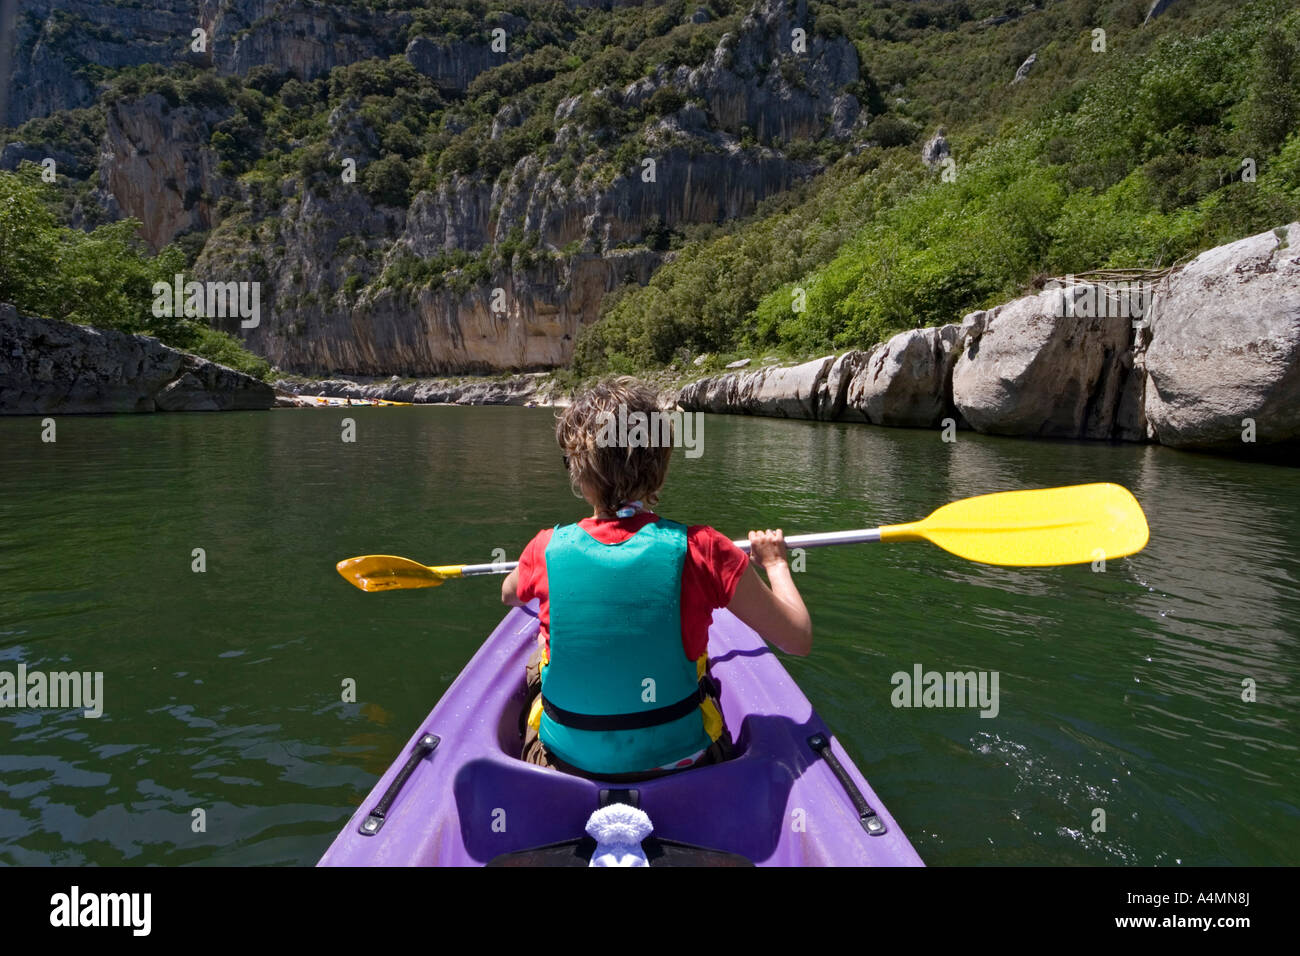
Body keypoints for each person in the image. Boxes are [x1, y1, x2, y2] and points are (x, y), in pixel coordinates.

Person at [500, 378, 812, 781]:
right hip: (684, 763)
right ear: (660, 468)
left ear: (579, 473)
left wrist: (527, 573)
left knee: (539, 655)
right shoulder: (705, 548)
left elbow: (509, 594)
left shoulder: (545, 548)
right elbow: (798, 639)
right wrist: (775, 564)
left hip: (564, 762)